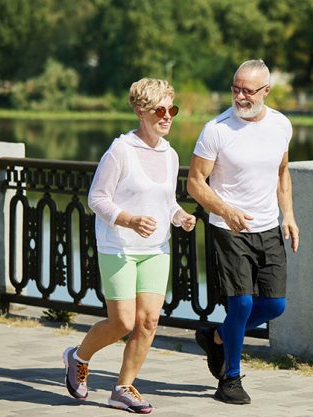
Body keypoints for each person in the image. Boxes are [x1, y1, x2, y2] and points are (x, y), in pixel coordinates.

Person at [62, 78, 196, 414]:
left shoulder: (170, 154)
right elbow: (97, 198)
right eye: (159, 110)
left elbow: (166, 201)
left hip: (156, 248)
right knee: (121, 322)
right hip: (118, 246)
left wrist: (180, 216)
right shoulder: (120, 150)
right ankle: (79, 357)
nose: (167, 116)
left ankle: (123, 387)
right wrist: (129, 220)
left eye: (172, 110)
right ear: (141, 111)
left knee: (149, 321)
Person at [187, 59, 299, 405]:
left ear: (266, 91)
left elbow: (282, 172)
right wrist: (226, 210)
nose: (239, 96)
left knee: (275, 305)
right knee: (242, 303)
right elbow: (194, 183)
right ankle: (229, 379)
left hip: (267, 227)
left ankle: (217, 336)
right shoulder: (216, 129)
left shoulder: (281, 125)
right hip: (228, 228)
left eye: (248, 91)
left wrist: (289, 215)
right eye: (235, 88)